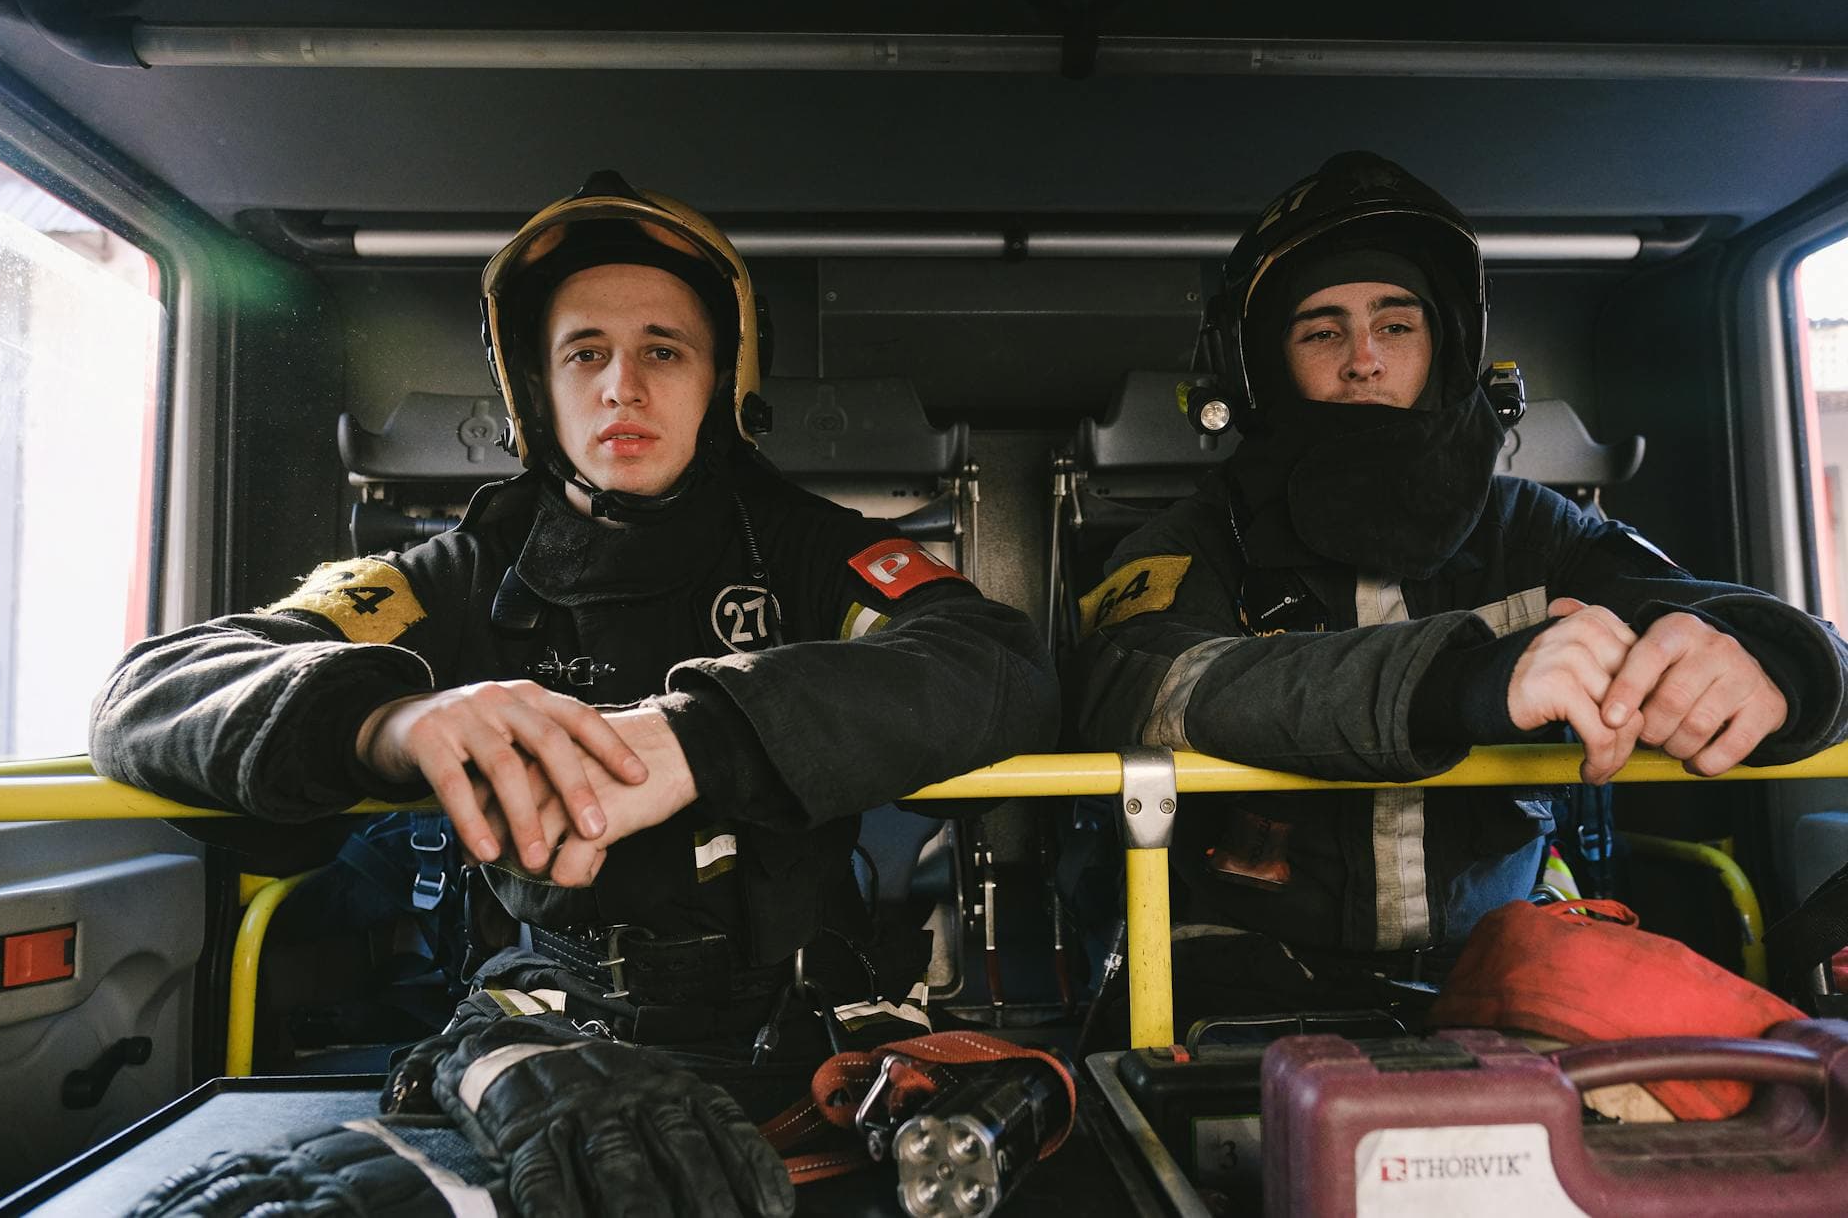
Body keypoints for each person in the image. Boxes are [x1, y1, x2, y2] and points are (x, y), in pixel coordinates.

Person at [90, 170, 1058, 1050]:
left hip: (804, 1026)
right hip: (537, 1028)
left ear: (722, 379)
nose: (619, 385)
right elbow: (150, 691)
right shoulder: (455, 575)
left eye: (662, 350)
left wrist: (704, 735)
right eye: (584, 351)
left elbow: (995, 661)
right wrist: (385, 721)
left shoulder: (812, 551)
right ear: (538, 389)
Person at [1068, 150, 1848, 1012]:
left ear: (1446, 346)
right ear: (1261, 365)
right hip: (1242, 975)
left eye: (1396, 325)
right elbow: (1139, 687)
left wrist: (1777, 659)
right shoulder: (1190, 544)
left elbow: (1712, 612)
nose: (1364, 359)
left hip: (1502, 967)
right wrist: (1462, 678)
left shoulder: (1538, 531)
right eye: (1322, 330)